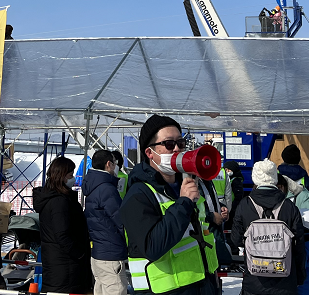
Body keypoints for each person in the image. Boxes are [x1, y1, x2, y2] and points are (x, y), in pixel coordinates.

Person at [120, 114, 219, 295]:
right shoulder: (138, 194)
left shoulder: (187, 184)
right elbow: (152, 247)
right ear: (150, 153)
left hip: (202, 286)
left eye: (180, 143)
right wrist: (184, 203)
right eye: (169, 144)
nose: (177, 149)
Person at [229, 159, 306, 295]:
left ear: (255, 179)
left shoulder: (245, 205)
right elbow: (299, 245)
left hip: (254, 281)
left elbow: (235, 240)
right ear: (275, 179)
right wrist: (299, 276)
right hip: (285, 282)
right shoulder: (289, 206)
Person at [33, 156, 91, 294]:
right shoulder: (59, 201)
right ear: (62, 176)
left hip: (59, 263)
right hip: (65, 266)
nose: (73, 178)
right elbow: (62, 234)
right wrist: (79, 254)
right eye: (70, 175)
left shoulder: (55, 198)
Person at [83, 149, 128, 295]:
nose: (116, 167)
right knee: (116, 289)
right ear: (108, 164)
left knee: (101, 289)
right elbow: (121, 220)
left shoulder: (92, 186)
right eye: (115, 163)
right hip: (111, 254)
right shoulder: (107, 189)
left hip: (98, 252)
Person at [278, 144, 309, 214]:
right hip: (302, 217)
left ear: (283, 157)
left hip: (278, 217)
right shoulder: (308, 181)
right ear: (299, 159)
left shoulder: (275, 178)